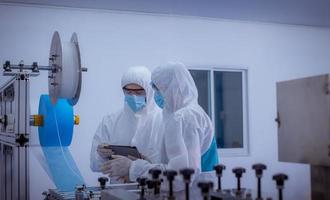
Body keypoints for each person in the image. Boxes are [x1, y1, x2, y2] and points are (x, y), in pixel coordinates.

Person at [106, 62, 219, 190]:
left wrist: (133, 168)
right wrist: (146, 162)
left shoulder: (184, 118)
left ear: (172, 89)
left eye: (158, 89)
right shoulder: (188, 113)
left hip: (193, 193)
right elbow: (176, 163)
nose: (155, 95)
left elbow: (180, 177)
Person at [90, 66, 162, 181]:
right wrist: (101, 156)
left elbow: (171, 169)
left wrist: (136, 167)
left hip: (154, 191)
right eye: (128, 92)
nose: (133, 96)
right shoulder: (110, 121)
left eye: (139, 92)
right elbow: (94, 165)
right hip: (119, 192)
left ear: (149, 91)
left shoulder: (163, 121)